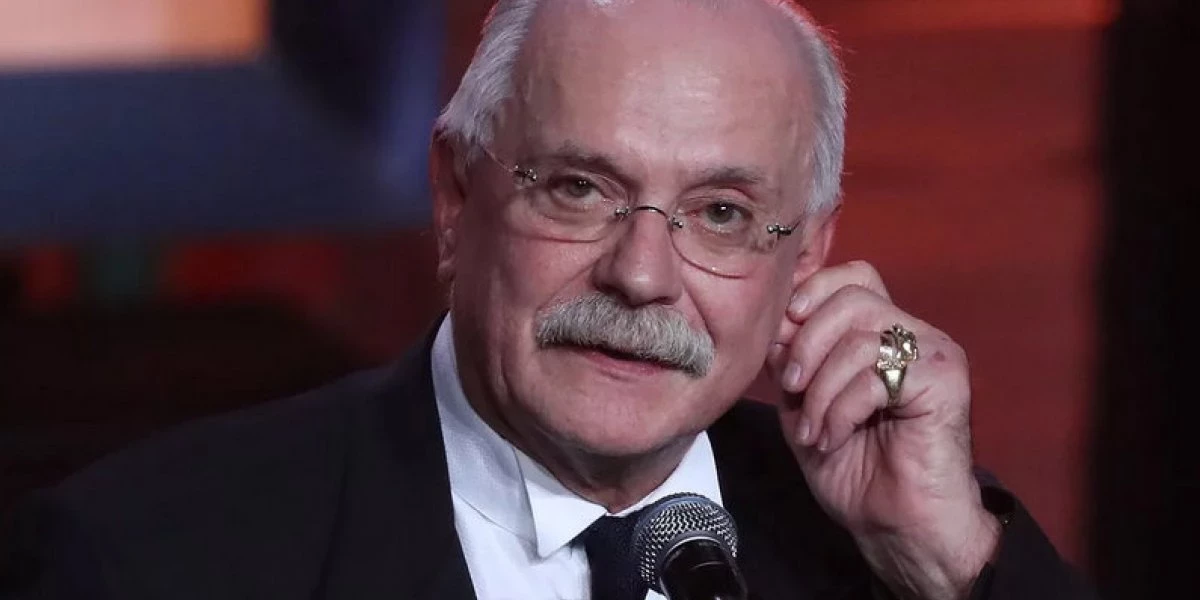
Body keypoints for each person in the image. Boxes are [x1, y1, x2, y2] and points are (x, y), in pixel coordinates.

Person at [0, 1, 1096, 599]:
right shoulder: (150, 558)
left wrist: (949, 564)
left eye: (720, 213)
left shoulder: (896, 555)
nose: (642, 274)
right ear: (454, 199)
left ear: (806, 258)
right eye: (579, 189)